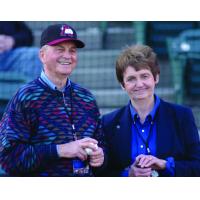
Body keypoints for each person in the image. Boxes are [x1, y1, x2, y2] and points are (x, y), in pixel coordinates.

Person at [0, 23, 106, 176]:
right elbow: (9, 158)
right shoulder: (25, 97)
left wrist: (101, 157)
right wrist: (60, 150)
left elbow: (102, 146)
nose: (67, 56)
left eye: (72, 50)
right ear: (42, 55)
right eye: (60, 49)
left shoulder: (86, 98)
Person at [101, 44, 200, 177]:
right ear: (122, 85)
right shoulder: (108, 123)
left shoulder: (182, 116)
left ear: (156, 78)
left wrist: (165, 165)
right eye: (131, 79)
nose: (139, 84)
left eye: (144, 76)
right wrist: (127, 174)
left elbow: (197, 166)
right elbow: (102, 172)